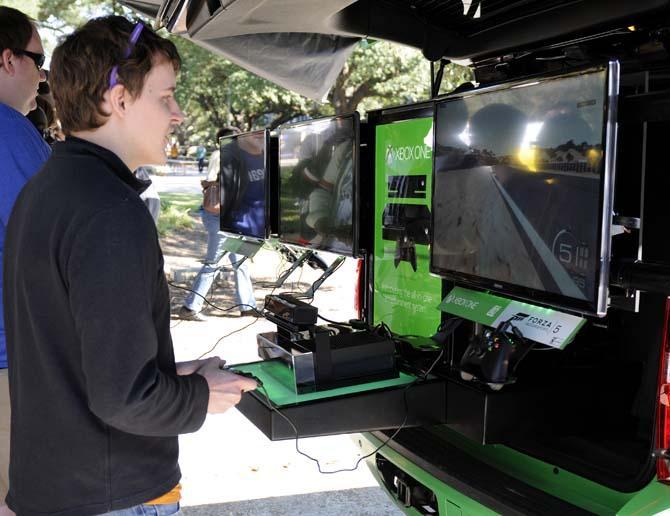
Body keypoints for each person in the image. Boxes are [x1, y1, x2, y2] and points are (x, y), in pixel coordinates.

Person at [2, 16, 257, 515]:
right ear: (118, 100)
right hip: (112, 493)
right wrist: (201, 397)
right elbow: (125, 399)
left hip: (54, 485)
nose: (178, 113)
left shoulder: (46, 189)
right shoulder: (109, 210)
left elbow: (73, 360)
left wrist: (179, 376)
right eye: (166, 97)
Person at [0, 6, 50, 511]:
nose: (43, 74)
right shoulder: (10, 132)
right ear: (7, 60)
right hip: (8, 366)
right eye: (39, 59)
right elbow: (55, 245)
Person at [179, 127, 258, 321]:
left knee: (240, 262)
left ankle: (247, 306)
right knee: (213, 263)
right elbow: (210, 181)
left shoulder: (237, 156)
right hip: (219, 217)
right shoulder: (220, 154)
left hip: (231, 216)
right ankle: (190, 307)